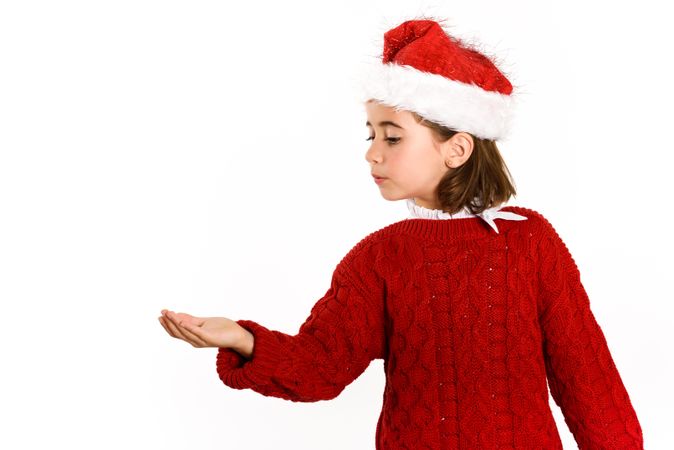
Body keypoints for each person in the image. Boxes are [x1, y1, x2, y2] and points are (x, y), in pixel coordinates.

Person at [158, 17, 644, 449]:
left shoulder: (531, 242)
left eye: (392, 136)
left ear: (457, 149)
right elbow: (321, 366)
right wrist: (243, 338)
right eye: (371, 134)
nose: (373, 153)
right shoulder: (380, 257)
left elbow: (587, 379)